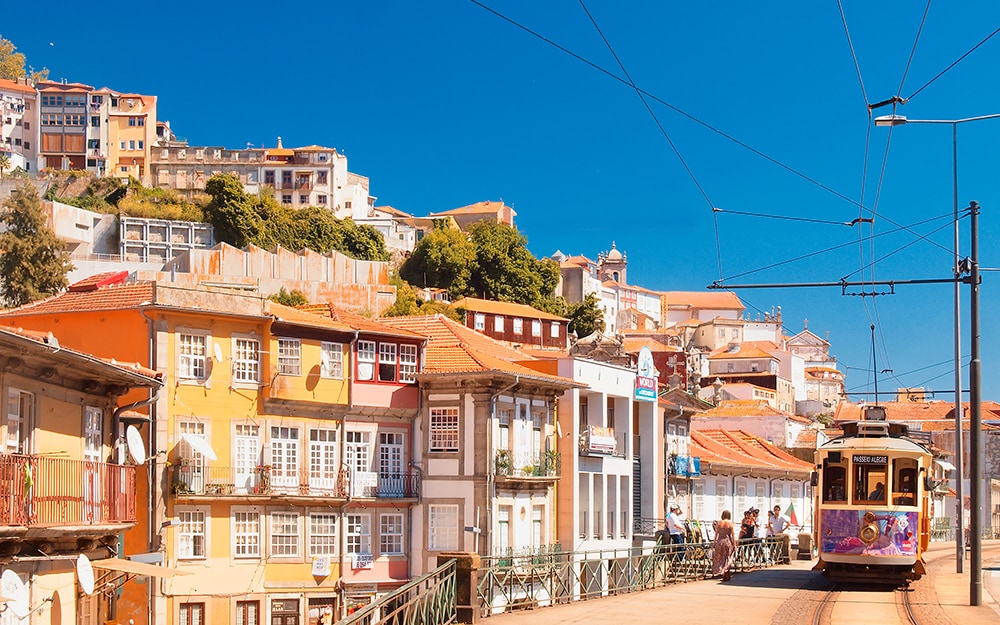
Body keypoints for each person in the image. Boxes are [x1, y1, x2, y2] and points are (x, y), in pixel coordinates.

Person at [712, 510, 737, 581]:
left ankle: (723, 572)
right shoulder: (730, 523)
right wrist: (734, 544)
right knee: (728, 557)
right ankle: (726, 572)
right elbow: (732, 535)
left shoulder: (719, 523)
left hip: (720, 541)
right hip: (727, 541)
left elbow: (716, 534)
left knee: (720, 558)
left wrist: (714, 543)